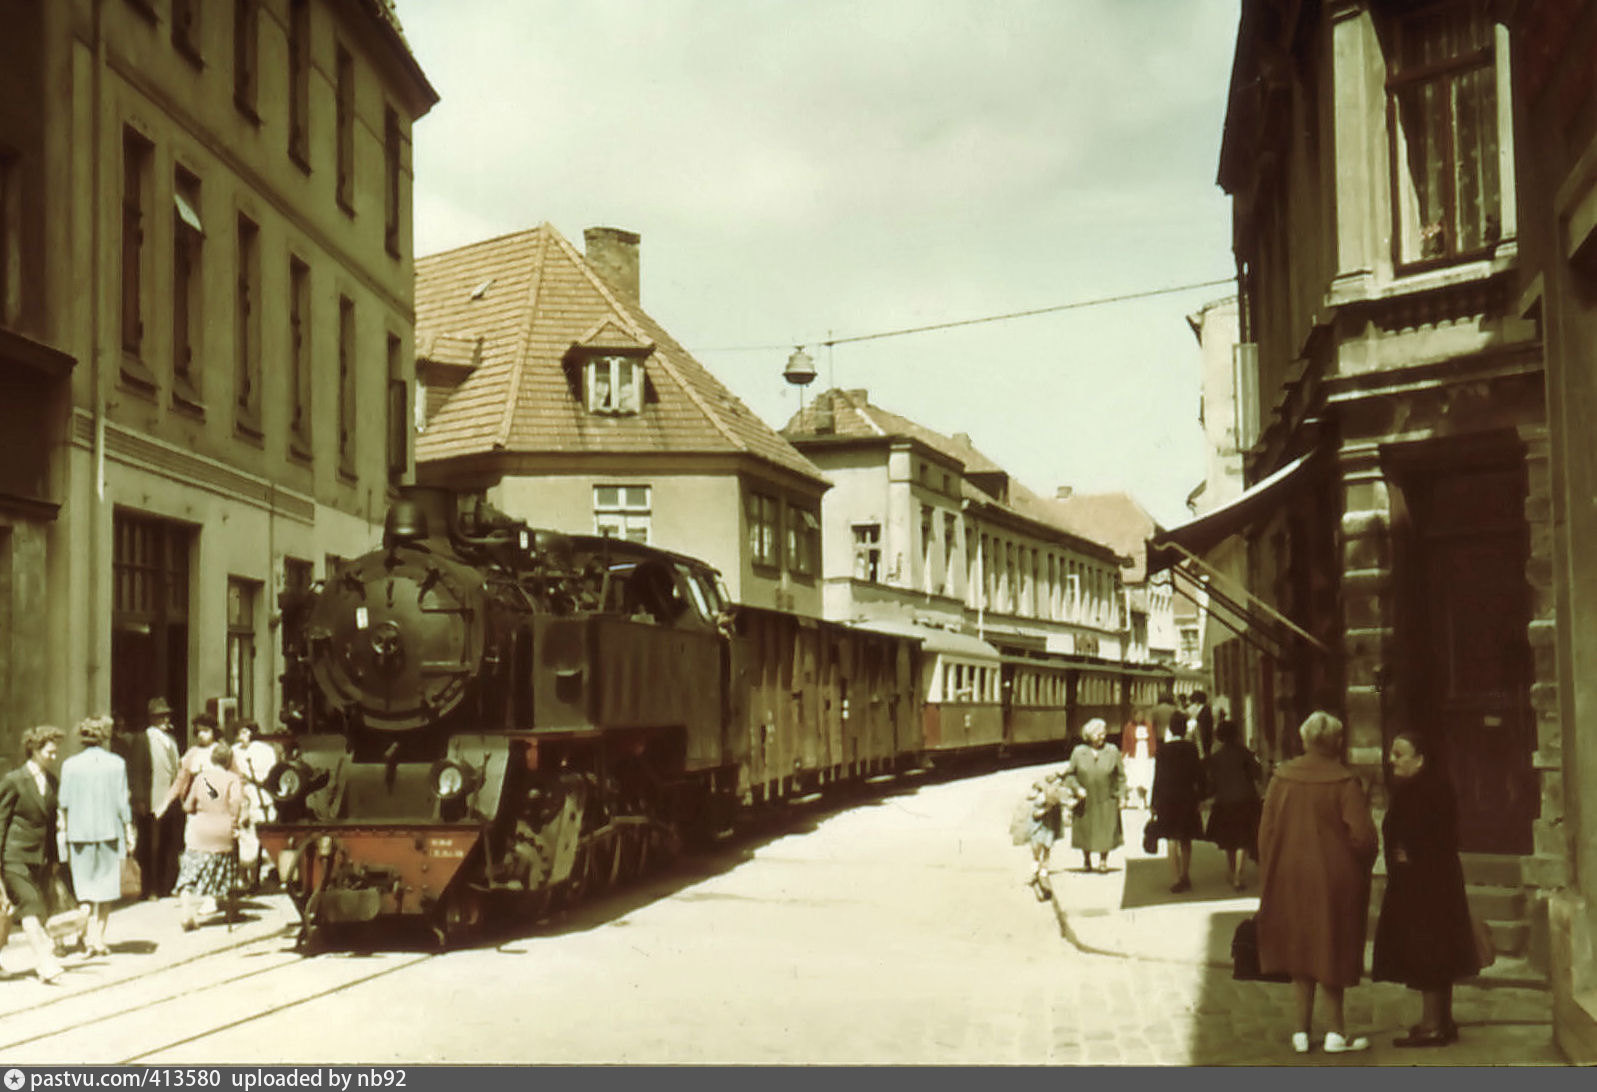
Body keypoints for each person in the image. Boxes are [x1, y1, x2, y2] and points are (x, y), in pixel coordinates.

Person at [1257, 711, 1378, 1055]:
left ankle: (1300, 1031)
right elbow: (1363, 838)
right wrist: (1358, 866)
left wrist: (1272, 871)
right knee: (1332, 951)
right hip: (1334, 879)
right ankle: (1336, 1032)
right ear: (1337, 742)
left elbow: (1265, 833)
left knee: (1300, 953)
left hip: (1289, 876)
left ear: (1304, 739)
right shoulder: (1343, 782)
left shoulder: (1281, 778)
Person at [1372, 731, 1482, 1047]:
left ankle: (1434, 1024)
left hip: (1423, 885)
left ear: (1420, 759)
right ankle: (1439, 1020)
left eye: (1399, 753)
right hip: (1433, 881)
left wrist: (1406, 855)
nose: (1392, 759)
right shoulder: (1428, 787)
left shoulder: (1422, 791)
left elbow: (1424, 835)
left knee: (1428, 950)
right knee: (1436, 950)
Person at [56, 715, 135, 958]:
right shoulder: (117, 763)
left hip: (79, 834)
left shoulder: (69, 765)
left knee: (85, 890)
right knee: (106, 889)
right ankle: (97, 938)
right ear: (103, 737)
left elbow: (64, 803)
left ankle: (86, 937)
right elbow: (123, 803)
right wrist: (129, 829)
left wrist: (63, 832)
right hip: (109, 832)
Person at [0, 725, 66, 982]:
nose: (54, 756)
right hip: (13, 856)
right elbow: (1, 821)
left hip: (39, 859)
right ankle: (45, 962)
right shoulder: (14, 780)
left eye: (55, 751)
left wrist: (54, 860)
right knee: (29, 904)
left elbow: (50, 826)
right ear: (35, 750)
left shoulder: (52, 781)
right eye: (49, 751)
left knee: (11, 912)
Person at [173, 742, 245, 932]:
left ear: (212, 759)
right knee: (226, 870)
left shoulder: (201, 778)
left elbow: (188, 806)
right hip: (222, 829)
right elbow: (236, 802)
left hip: (199, 831)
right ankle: (231, 912)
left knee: (189, 873)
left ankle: (186, 913)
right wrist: (234, 821)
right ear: (229, 761)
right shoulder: (233, 779)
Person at [1204, 718, 1263, 890]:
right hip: (1246, 799)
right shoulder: (1245, 753)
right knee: (1243, 840)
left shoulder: (1216, 758)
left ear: (1219, 736)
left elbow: (1212, 784)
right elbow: (1256, 774)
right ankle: (1239, 874)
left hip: (1224, 802)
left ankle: (1232, 871)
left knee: (1229, 840)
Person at [1150, 714, 1205, 893]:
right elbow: (1199, 774)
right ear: (1184, 729)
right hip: (1187, 797)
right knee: (1186, 838)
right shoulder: (1191, 749)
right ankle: (1185, 874)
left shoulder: (1163, 750)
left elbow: (1157, 777)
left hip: (1167, 798)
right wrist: (1201, 797)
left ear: (1171, 729)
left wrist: (1153, 802)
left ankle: (1175, 879)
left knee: (1171, 838)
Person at [1062, 718, 1125, 873]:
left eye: (1103, 733)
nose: (1101, 737)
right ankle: (1087, 860)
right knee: (1086, 830)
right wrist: (1077, 789)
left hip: (1106, 798)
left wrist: (1122, 796)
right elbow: (1070, 775)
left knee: (1106, 829)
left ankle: (1103, 861)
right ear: (1088, 735)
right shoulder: (1078, 752)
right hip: (1086, 799)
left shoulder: (1112, 751)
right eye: (1098, 734)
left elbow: (1121, 776)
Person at [231, 721, 279, 891]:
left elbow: (272, 773)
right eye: (240, 732)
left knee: (262, 838)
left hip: (262, 797)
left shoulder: (265, 750)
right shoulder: (234, 751)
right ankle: (244, 878)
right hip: (242, 797)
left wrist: (254, 778)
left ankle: (258, 877)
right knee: (244, 838)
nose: (243, 735)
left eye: (246, 731)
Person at [144, 698, 182, 898]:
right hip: (155, 797)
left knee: (171, 843)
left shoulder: (172, 740)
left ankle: (168, 885)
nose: (166, 719)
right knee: (154, 845)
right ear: (153, 718)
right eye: (161, 716)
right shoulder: (147, 739)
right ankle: (152, 887)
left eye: (167, 715)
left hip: (172, 797)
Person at [1022, 772, 1066, 899]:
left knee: (1047, 847)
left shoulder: (1055, 795)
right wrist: (1045, 809)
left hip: (1049, 825)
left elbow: (1063, 801)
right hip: (1038, 824)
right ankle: (1035, 867)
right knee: (1036, 848)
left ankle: (1043, 870)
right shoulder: (1039, 796)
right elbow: (1035, 814)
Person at [1120, 710, 1157, 809]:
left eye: (1142, 715)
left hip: (1146, 755)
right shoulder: (1128, 727)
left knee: (1147, 777)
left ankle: (1147, 800)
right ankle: (1140, 800)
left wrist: (1153, 753)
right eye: (1138, 715)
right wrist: (1124, 755)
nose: (1140, 717)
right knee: (1137, 777)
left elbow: (1153, 740)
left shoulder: (1148, 726)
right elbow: (1125, 741)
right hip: (1135, 755)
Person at [1188, 690, 1215, 760]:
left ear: (1197, 700)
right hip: (1203, 737)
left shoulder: (1205, 710)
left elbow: (1205, 726)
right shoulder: (1205, 709)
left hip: (1203, 737)